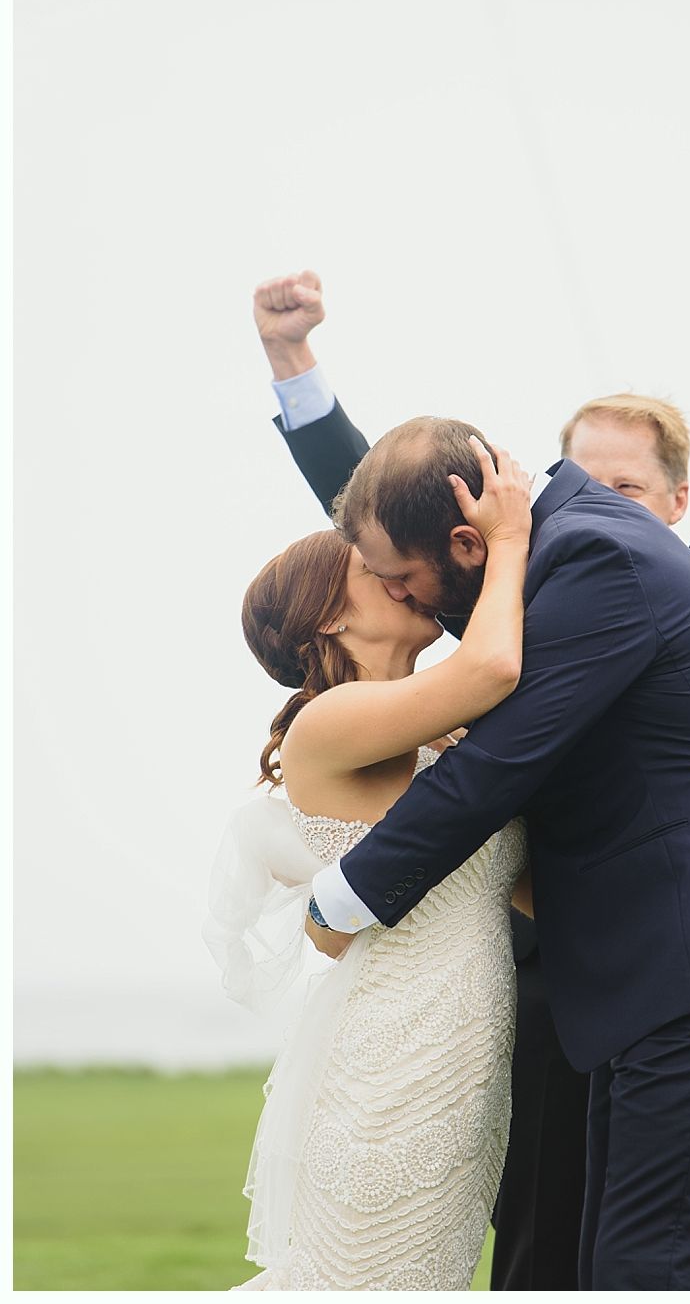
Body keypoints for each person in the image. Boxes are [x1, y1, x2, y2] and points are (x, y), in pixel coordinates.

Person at [252, 234, 690, 1288]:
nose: (404, 600)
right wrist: (295, 371)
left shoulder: (596, 562)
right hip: (617, 979)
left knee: (655, 1272)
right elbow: (389, 535)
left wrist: (343, 899)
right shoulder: (526, 568)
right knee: (598, 1265)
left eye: (408, 580)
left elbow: (495, 766)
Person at [205, 444, 538, 1290]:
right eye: (370, 570)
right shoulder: (328, 723)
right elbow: (497, 661)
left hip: (467, 1058)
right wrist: (507, 540)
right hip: (390, 1067)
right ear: (329, 618)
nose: (398, 576)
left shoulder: (446, 730)